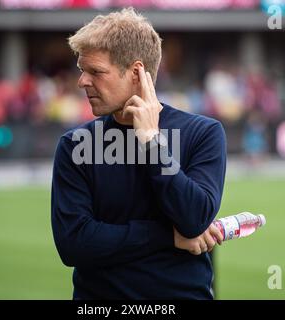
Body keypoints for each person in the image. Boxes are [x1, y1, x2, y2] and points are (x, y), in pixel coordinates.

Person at [51, 8, 227, 300]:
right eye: (82, 70)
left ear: (135, 73)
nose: (82, 81)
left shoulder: (203, 133)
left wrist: (152, 143)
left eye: (95, 71)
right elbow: (74, 244)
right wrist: (167, 236)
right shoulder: (75, 145)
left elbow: (194, 219)